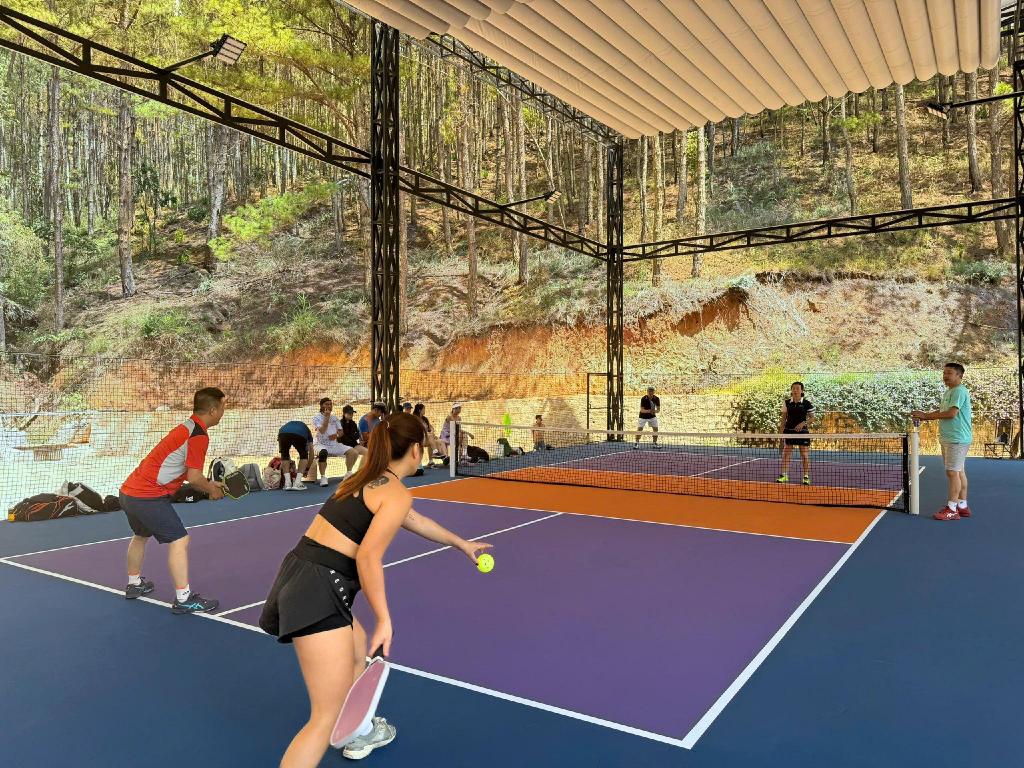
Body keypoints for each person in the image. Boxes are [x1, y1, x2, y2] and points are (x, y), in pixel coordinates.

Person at [259, 413, 493, 766]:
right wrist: (384, 618)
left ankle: (359, 730)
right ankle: (341, 726)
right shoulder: (394, 492)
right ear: (415, 450)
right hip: (319, 587)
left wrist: (462, 544)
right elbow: (368, 557)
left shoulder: (366, 479)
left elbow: (413, 519)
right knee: (323, 718)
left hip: (300, 573)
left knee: (357, 650)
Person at [119, 387, 226, 614]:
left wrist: (209, 485)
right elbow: (194, 478)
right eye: (223, 406)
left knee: (140, 535)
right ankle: (184, 598)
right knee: (180, 540)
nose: (223, 411)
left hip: (129, 493)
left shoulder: (186, 427)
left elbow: (186, 472)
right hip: (148, 495)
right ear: (213, 409)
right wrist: (210, 489)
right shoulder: (198, 435)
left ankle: (134, 584)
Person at [912, 362, 973, 521]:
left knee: (952, 473)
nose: (945, 376)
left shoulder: (959, 391)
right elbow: (943, 412)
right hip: (950, 438)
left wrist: (926, 416)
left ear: (959, 375)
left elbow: (951, 413)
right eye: (944, 373)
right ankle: (962, 505)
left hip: (957, 439)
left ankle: (952, 509)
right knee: (958, 471)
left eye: (949, 373)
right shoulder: (949, 392)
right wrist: (924, 415)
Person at [308, 398, 364, 487]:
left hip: (334, 444)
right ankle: (323, 477)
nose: (329, 406)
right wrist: (326, 417)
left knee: (353, 452)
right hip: (320, 444)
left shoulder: (335, 418)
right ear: (321, 406)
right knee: (323, 453)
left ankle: (348, 473)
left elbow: (341, 432)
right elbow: (322, 430)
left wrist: (337, 435)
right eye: (326, 404)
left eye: (330, 404)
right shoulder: (316, 417)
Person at [776, 381, 814, 485]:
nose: (795, 390)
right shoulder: (787, 403)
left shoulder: (807, 403)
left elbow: (812, 418)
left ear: (802, 390)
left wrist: (803, 423)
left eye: (797, 388)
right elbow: (783, 420)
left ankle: (806, 477)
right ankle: (784, 475)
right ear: (791, 390)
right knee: (786, 454)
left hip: (802, 432)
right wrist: (780, 435)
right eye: (793, 388)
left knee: (804, 455)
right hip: (789, 432)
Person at [278, 418, 313, 491]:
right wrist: (306, 469)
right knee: (304, 456)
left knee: (284, 455)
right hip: (299, 434)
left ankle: (287, 484)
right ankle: (297, 483)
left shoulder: (287, 426)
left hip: (282, 433)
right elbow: (311, 454)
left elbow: (285, 456)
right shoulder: (308, 433)